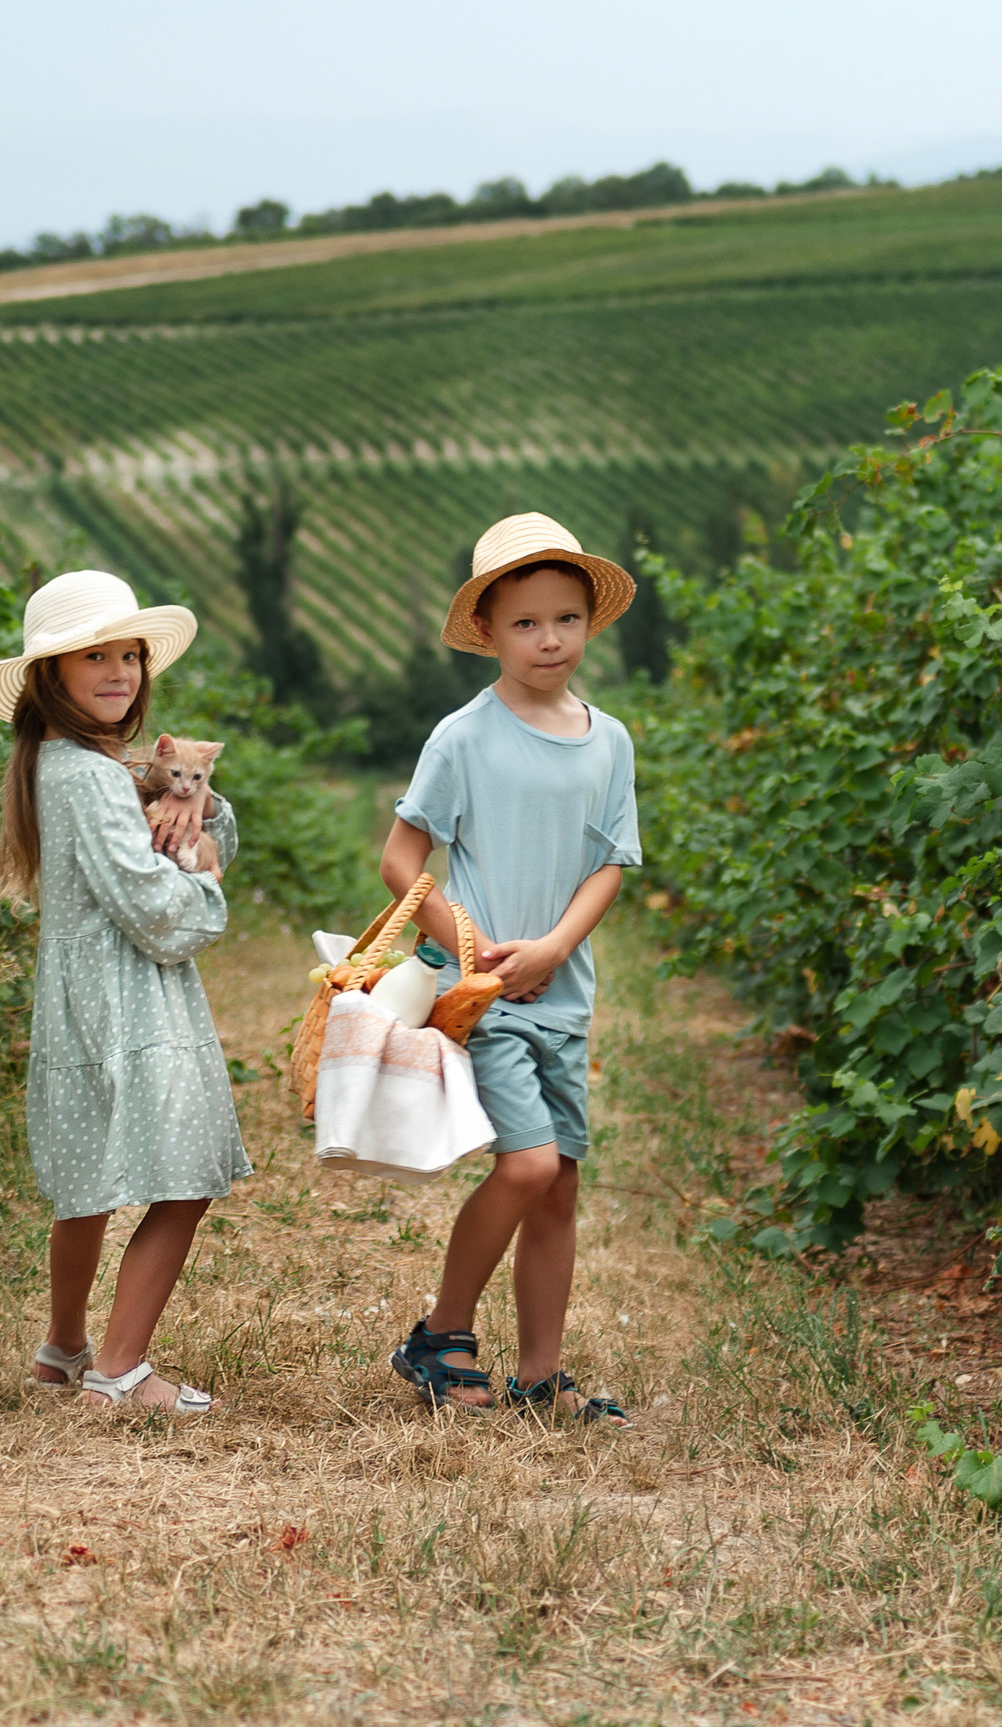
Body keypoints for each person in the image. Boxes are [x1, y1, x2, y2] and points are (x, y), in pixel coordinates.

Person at [380, 513, 639, 1424]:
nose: (549, 638)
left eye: (566, 618)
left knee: (559, 1184)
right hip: (487, 996)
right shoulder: (464, 736)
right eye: (526, 623)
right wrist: (471, 944)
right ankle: (441, 1331)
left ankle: (539, 1372)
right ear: (488, 632)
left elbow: (611, 860)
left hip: (563, 992)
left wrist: (558, 945)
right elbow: (401, 859)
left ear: (588, 624)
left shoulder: (609, 740)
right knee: (526, 1166)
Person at [0, 570, 247, 1414]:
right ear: (50, 673)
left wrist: (194, 818)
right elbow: (154, 909)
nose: (119, 670)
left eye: (128, 653)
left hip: (85, 998)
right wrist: (201, 882)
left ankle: (62, 1348)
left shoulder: (74, 763)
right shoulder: (88, 776)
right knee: (188, 1176)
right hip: (132, 1000)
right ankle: (121, 1369)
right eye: (94, 654)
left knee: (89, 1179)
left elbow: (182, 841)